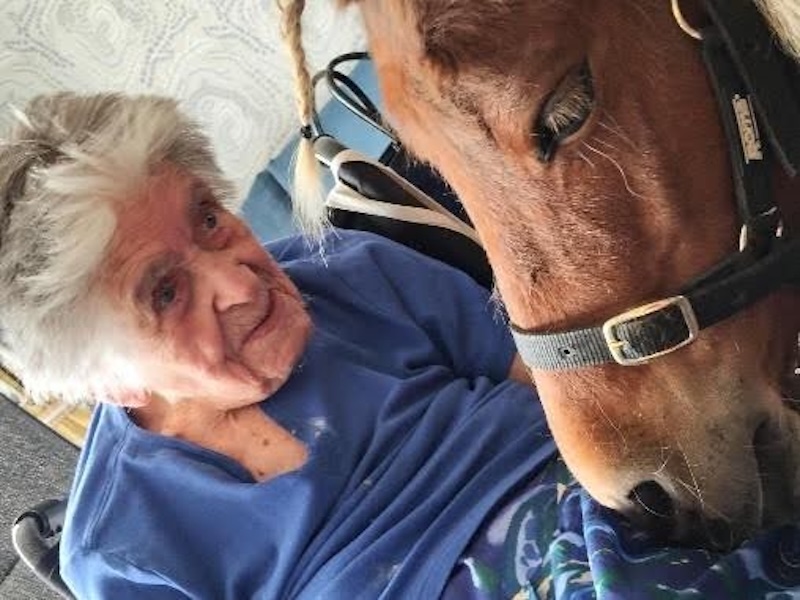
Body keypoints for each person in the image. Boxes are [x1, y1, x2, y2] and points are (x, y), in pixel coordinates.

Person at [2, 92, 800, 600]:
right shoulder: (125, 548)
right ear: (110, 382)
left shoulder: (346, 270)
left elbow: (576, 397)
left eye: (209, 218)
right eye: (165, 293)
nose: (240, 282)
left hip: (616, 516)